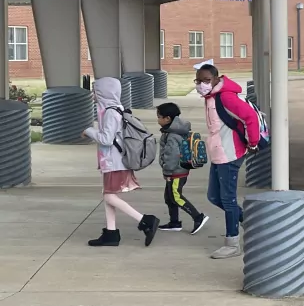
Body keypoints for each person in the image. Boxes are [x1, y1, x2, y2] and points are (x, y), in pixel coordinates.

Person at [84, 77, 160, 248]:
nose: (93, 94)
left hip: (115, 162)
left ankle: (145, 221)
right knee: (108, 196)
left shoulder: (111, 112)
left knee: (109, 196)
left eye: (95, 90)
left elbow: (106, 139)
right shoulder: (115, 109)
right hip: (112, 161)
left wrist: (89, 131)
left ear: (104, 92)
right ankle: (111, 233)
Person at [195, 64, 259, 259]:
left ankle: (232, 243)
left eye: (206, 80)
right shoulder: (211, 97)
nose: (202, 84)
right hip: (218, 153)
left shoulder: (225, 97)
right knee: (214, 196)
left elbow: (250, 117)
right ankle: (251, 223)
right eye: (198, 81)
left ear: (216, 79)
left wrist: (253, 142)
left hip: (230, 154)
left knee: (228, 199)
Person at [155, 102, 209, 235]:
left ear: (167, 118)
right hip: (177, 171)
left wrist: (167, 172)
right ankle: (174, 223)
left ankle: (198, 217)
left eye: (159, 117)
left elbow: (171, 156)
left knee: (176, 196)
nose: (158, 119)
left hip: (176, 172)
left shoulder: (172, 135)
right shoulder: (173, 131)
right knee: (169, 197)